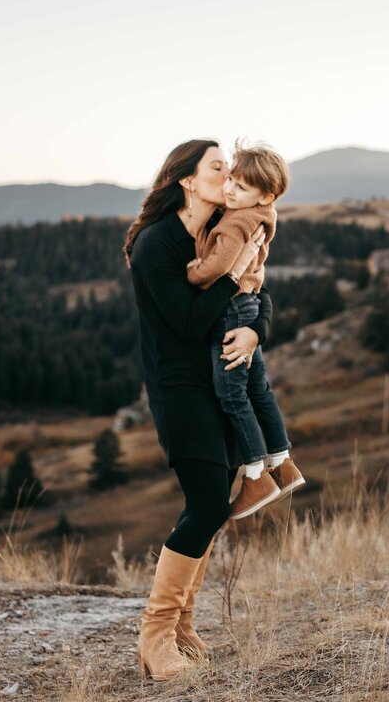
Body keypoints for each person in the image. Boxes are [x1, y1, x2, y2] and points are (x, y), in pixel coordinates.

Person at [123, 139, 270, 681]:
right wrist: (233, 276)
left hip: (223, 382)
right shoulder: (157, 244)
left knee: (216, 501)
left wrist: (255, 329)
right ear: (187, 180)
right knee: (207, 503)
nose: (228, 175)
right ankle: (155, 636)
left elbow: (260, 294)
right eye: (216, 167)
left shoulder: (219, 233)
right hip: (179, 387)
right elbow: (186, 323)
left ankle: (182, 624)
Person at [186, 141, 305, 520]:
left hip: (231, 310)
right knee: (259, 389)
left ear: (265, 194)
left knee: (231, 394)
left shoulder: (238, 221)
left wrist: (191, 272)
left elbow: (218, 267)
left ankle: (255, 474)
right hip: (248, 305)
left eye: (241, 186)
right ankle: (282, 461)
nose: (230, 189)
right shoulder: (260, 213)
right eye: (231, 180)